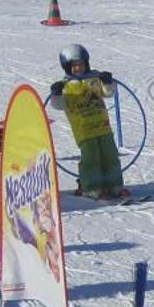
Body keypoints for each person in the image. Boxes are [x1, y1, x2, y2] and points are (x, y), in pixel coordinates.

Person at [48, 44, 129, 201]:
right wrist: (56, 93)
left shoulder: (93, 79)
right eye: (74, 66)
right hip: (84, 131)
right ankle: (91, 187)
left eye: (81, 64)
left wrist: (106, 82)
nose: (78, 68)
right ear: (67, 67)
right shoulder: (66, 87)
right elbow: (58, 105)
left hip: (103, 127)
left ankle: (114, 185)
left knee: (110, 155)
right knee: (91, 158)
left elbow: (109, 93)